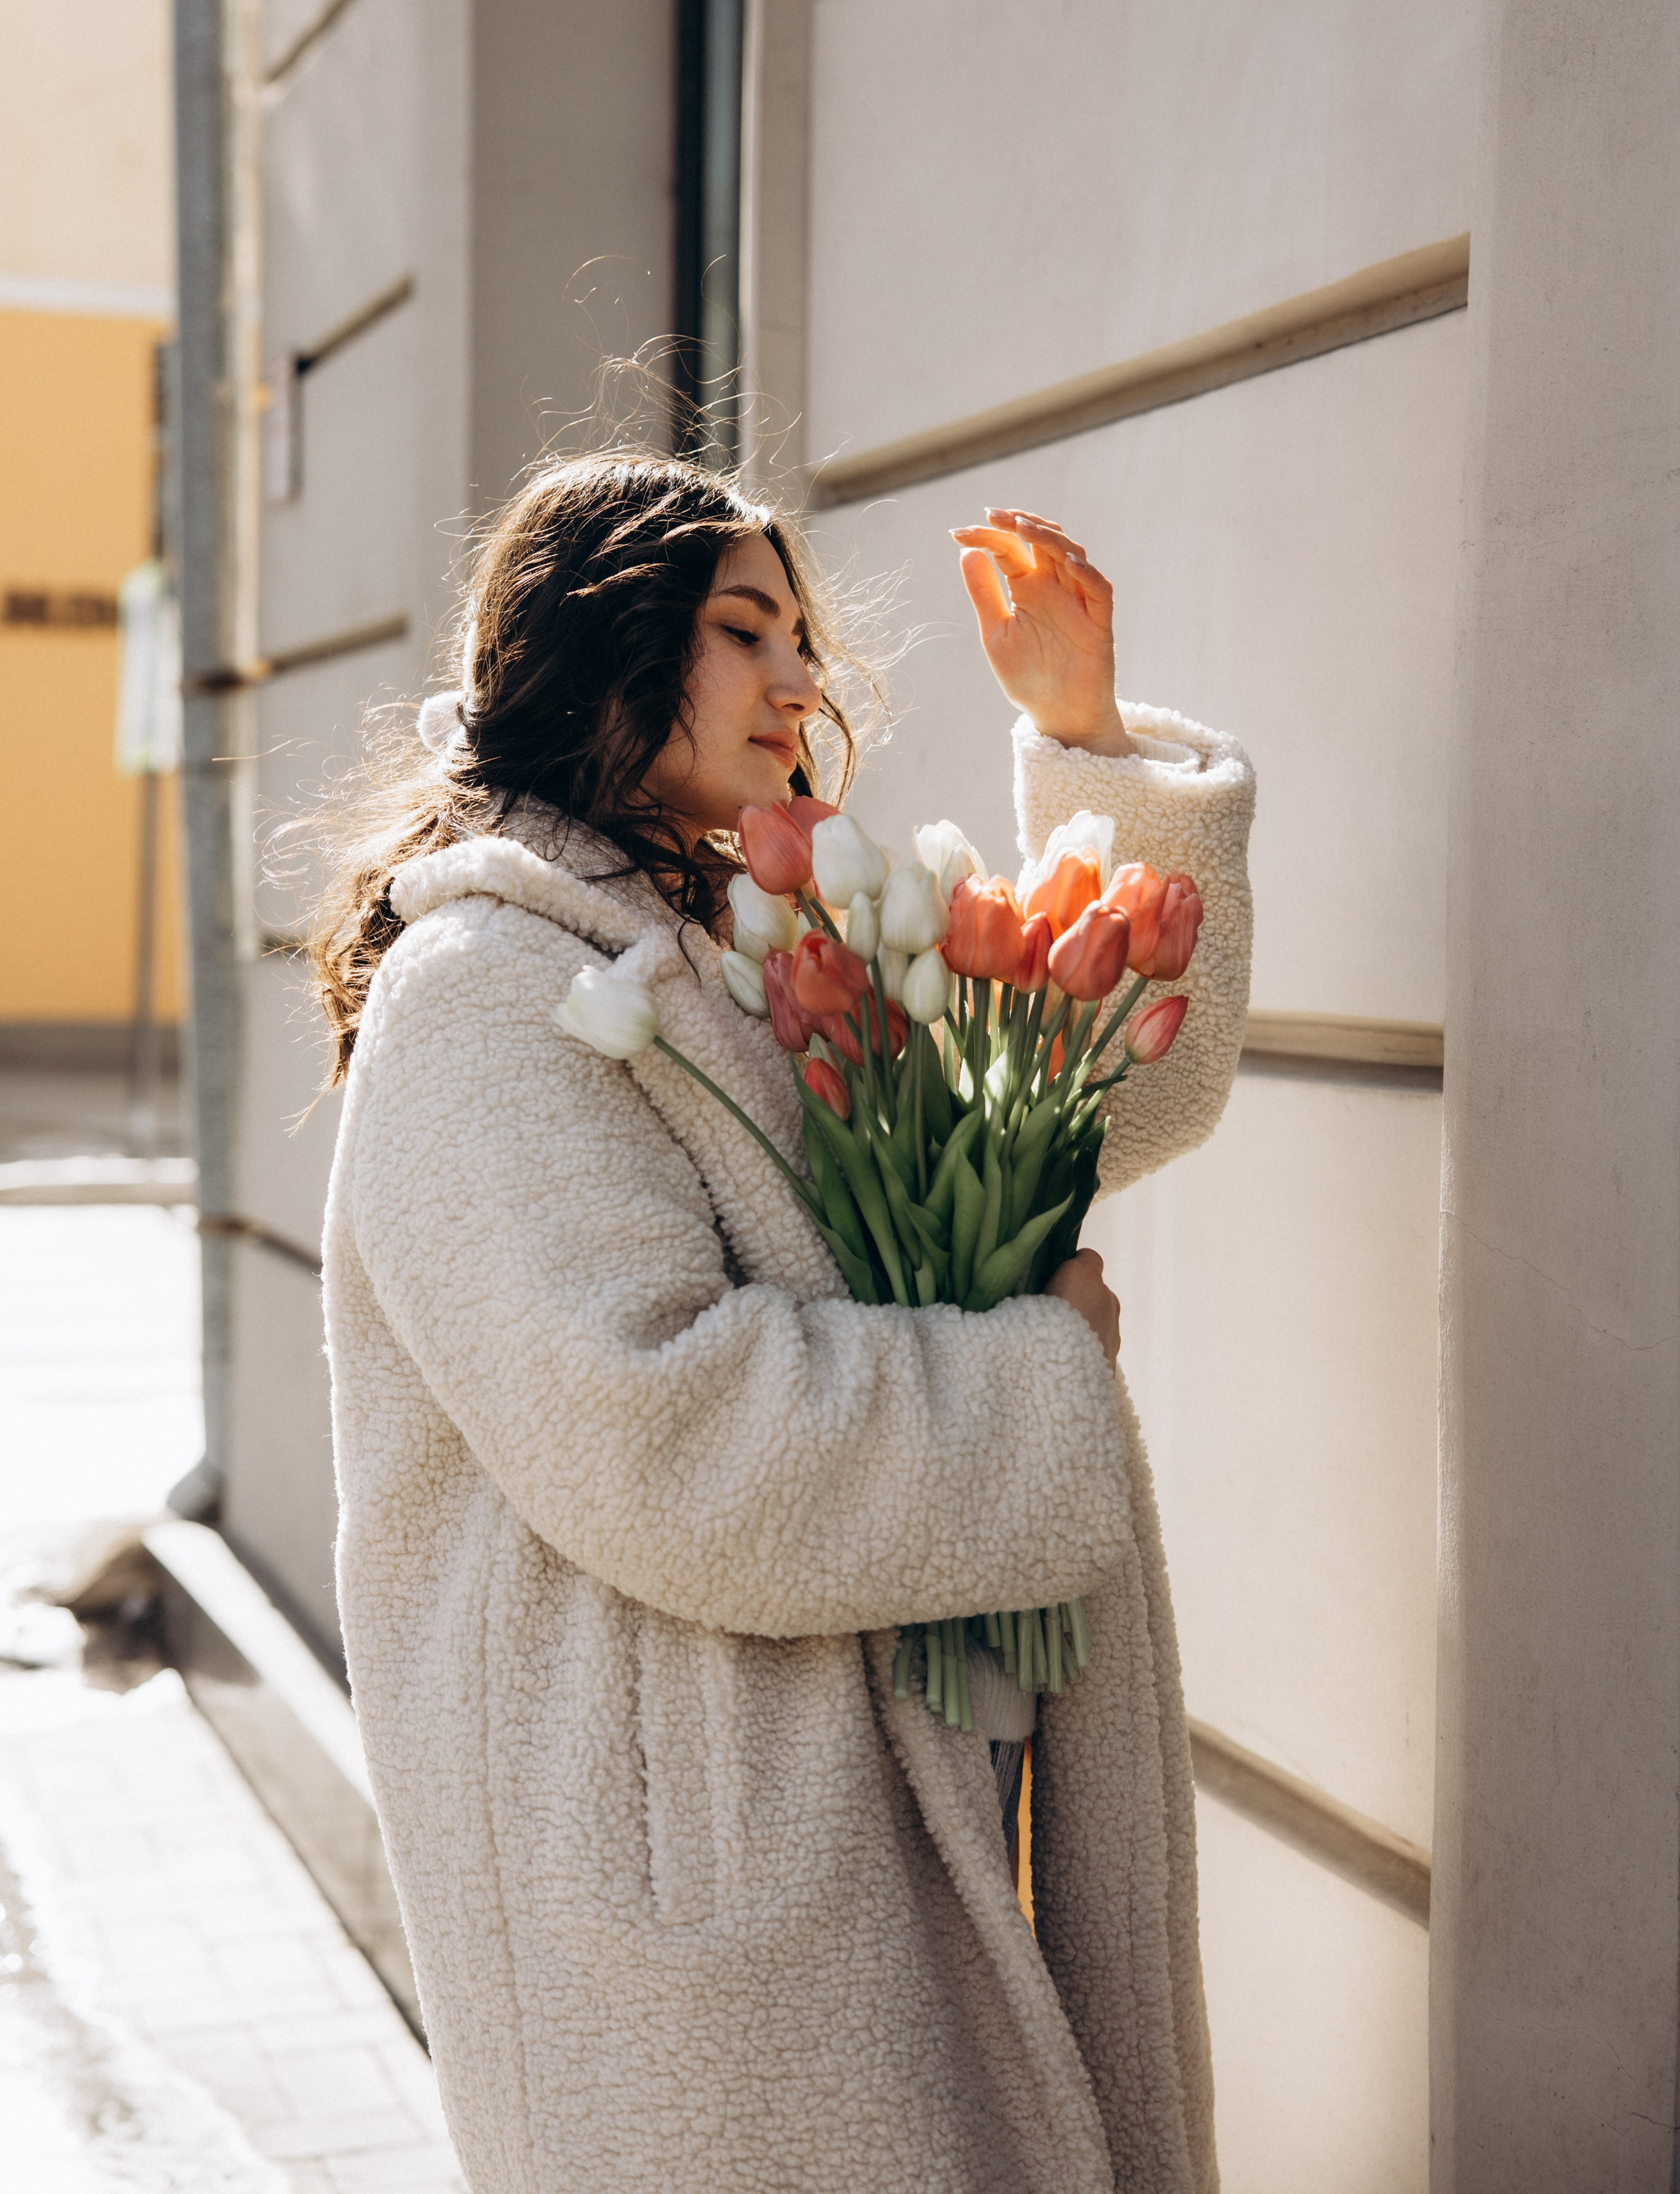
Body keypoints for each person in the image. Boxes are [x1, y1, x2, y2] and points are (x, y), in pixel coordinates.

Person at [312, 451, 1255, 2194]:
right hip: (713, 1912)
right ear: (604, 644)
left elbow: (1083, 1111)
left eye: (803, 638)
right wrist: (1035, 1383)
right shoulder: (484, 1002)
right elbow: (653, 1425)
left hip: (891, 1814)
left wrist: (1092, 739)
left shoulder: (752, 942)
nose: (804, 681)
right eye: (748, 633)